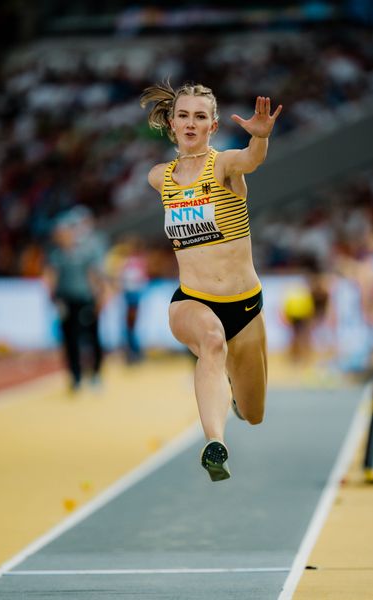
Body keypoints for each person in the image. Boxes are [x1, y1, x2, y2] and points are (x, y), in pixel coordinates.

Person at [141, 82, 282, 481]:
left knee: (254, 413)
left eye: (199, 116)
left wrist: (260, 139)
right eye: (183, 115)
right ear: (171, 123)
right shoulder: (159, 177)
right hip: (191, 300)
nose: (190, 122)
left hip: (244, 305)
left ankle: (237, 400)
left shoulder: (224, 166)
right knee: (211, 341)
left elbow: (250, 161)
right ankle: (214, 443)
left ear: (213, 126)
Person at [43, 209, 107, 392]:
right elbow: (51, 277)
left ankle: (95, 374)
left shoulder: (84, 252)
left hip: (85, 299)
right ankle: (76, 377)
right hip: (66, 300)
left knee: (92, 337)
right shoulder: (56, 255)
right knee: (69, 340)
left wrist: (100, 297)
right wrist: (53, 298)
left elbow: (94, 275)